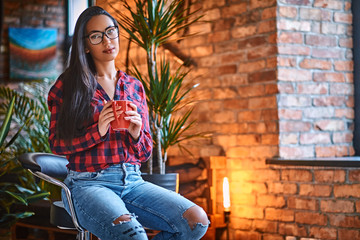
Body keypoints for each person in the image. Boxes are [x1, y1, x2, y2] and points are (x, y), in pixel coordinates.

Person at [47, 5, 209, 240]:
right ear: (85, 45)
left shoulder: (134, 86)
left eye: (111, 31)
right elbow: (56, 144)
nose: (107, 40)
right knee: (132, 235)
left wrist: (136, 133)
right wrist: (98, 130)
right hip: (87, 185)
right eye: (96, 36)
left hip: (133, 181)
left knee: (196, 221)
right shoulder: (68, 86)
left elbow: (144, 153)